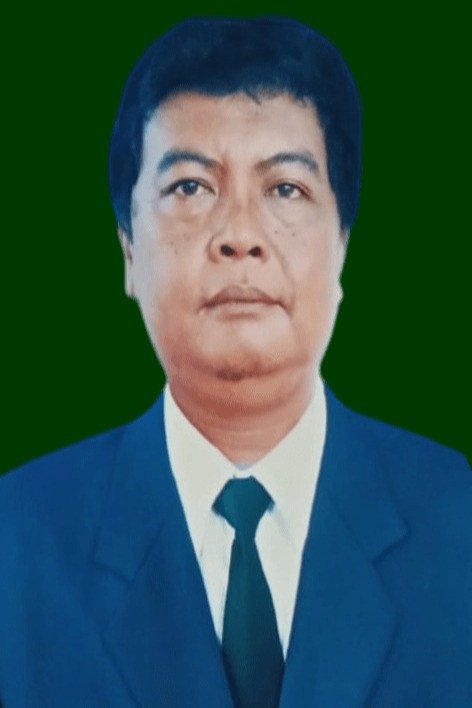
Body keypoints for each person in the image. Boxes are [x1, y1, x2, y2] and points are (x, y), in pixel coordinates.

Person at [0, 16, 471, 708]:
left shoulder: (458, 523)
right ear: (127, 248)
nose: (240, 235)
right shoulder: (17, 539)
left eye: (286, 189)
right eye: (191, 187)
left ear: (343, 242)